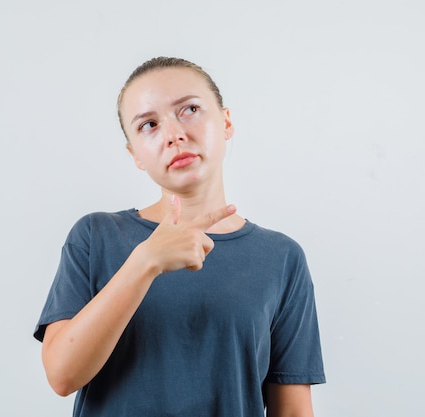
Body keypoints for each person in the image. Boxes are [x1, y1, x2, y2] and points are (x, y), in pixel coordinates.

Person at [34, 56, 326, 417]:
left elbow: (293, 409)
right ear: (135, 155)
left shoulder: (281, 257)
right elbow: (62, 376)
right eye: (149, 125)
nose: (174, 134)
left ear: (226, 122)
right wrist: (145, 262)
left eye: (189, 109)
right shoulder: (96, 237)